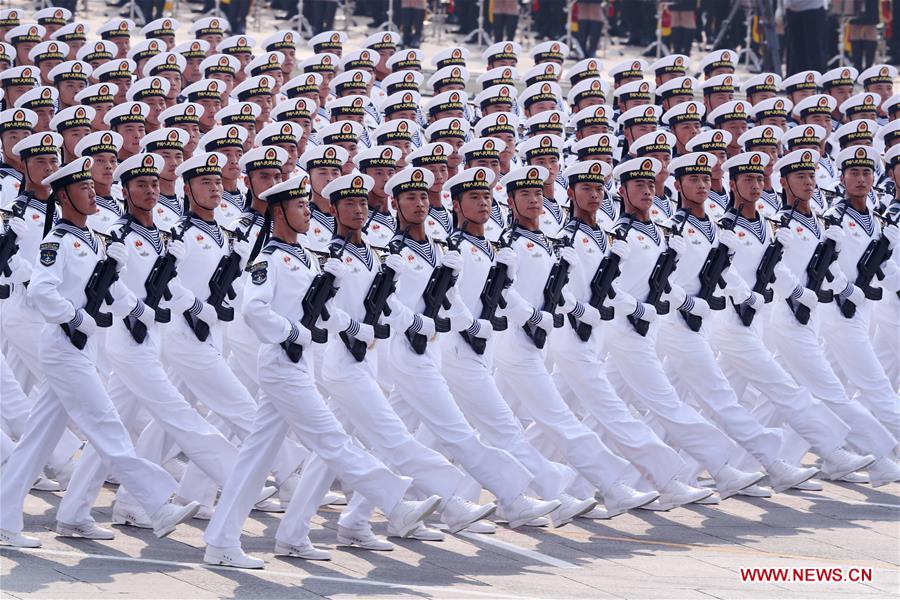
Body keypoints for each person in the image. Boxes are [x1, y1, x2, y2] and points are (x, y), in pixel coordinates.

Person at [202, 168, 442, 568]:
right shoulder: (269, 259)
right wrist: (292, 331)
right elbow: (254, 310)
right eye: (299, 206)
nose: (307, 212)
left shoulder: (306, 256)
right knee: (332, 440)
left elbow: (322, 310)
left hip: (298, 362)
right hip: (281, 363)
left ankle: (227, 541)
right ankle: (395, 501)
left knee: (255, 459)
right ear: (278, 212)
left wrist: (346, 317)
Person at [0, 156, 198, 548]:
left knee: (37, 441)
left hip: (80, 346)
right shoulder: (57, 240)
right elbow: (41, 289)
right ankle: (157, 503)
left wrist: (137, 310)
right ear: (64, 196)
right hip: (64, 346)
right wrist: (74, 316)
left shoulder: (91, 237)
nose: (92, 193)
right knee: (107, 425)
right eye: (83, 187)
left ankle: (12, 518)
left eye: (92, 186)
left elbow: (107, 287)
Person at [784, 0, 827, 75]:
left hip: (813, 8)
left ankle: (818, 78)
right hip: (791, 10)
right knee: (795, 51)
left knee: (814, 50)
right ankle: (798, 79)